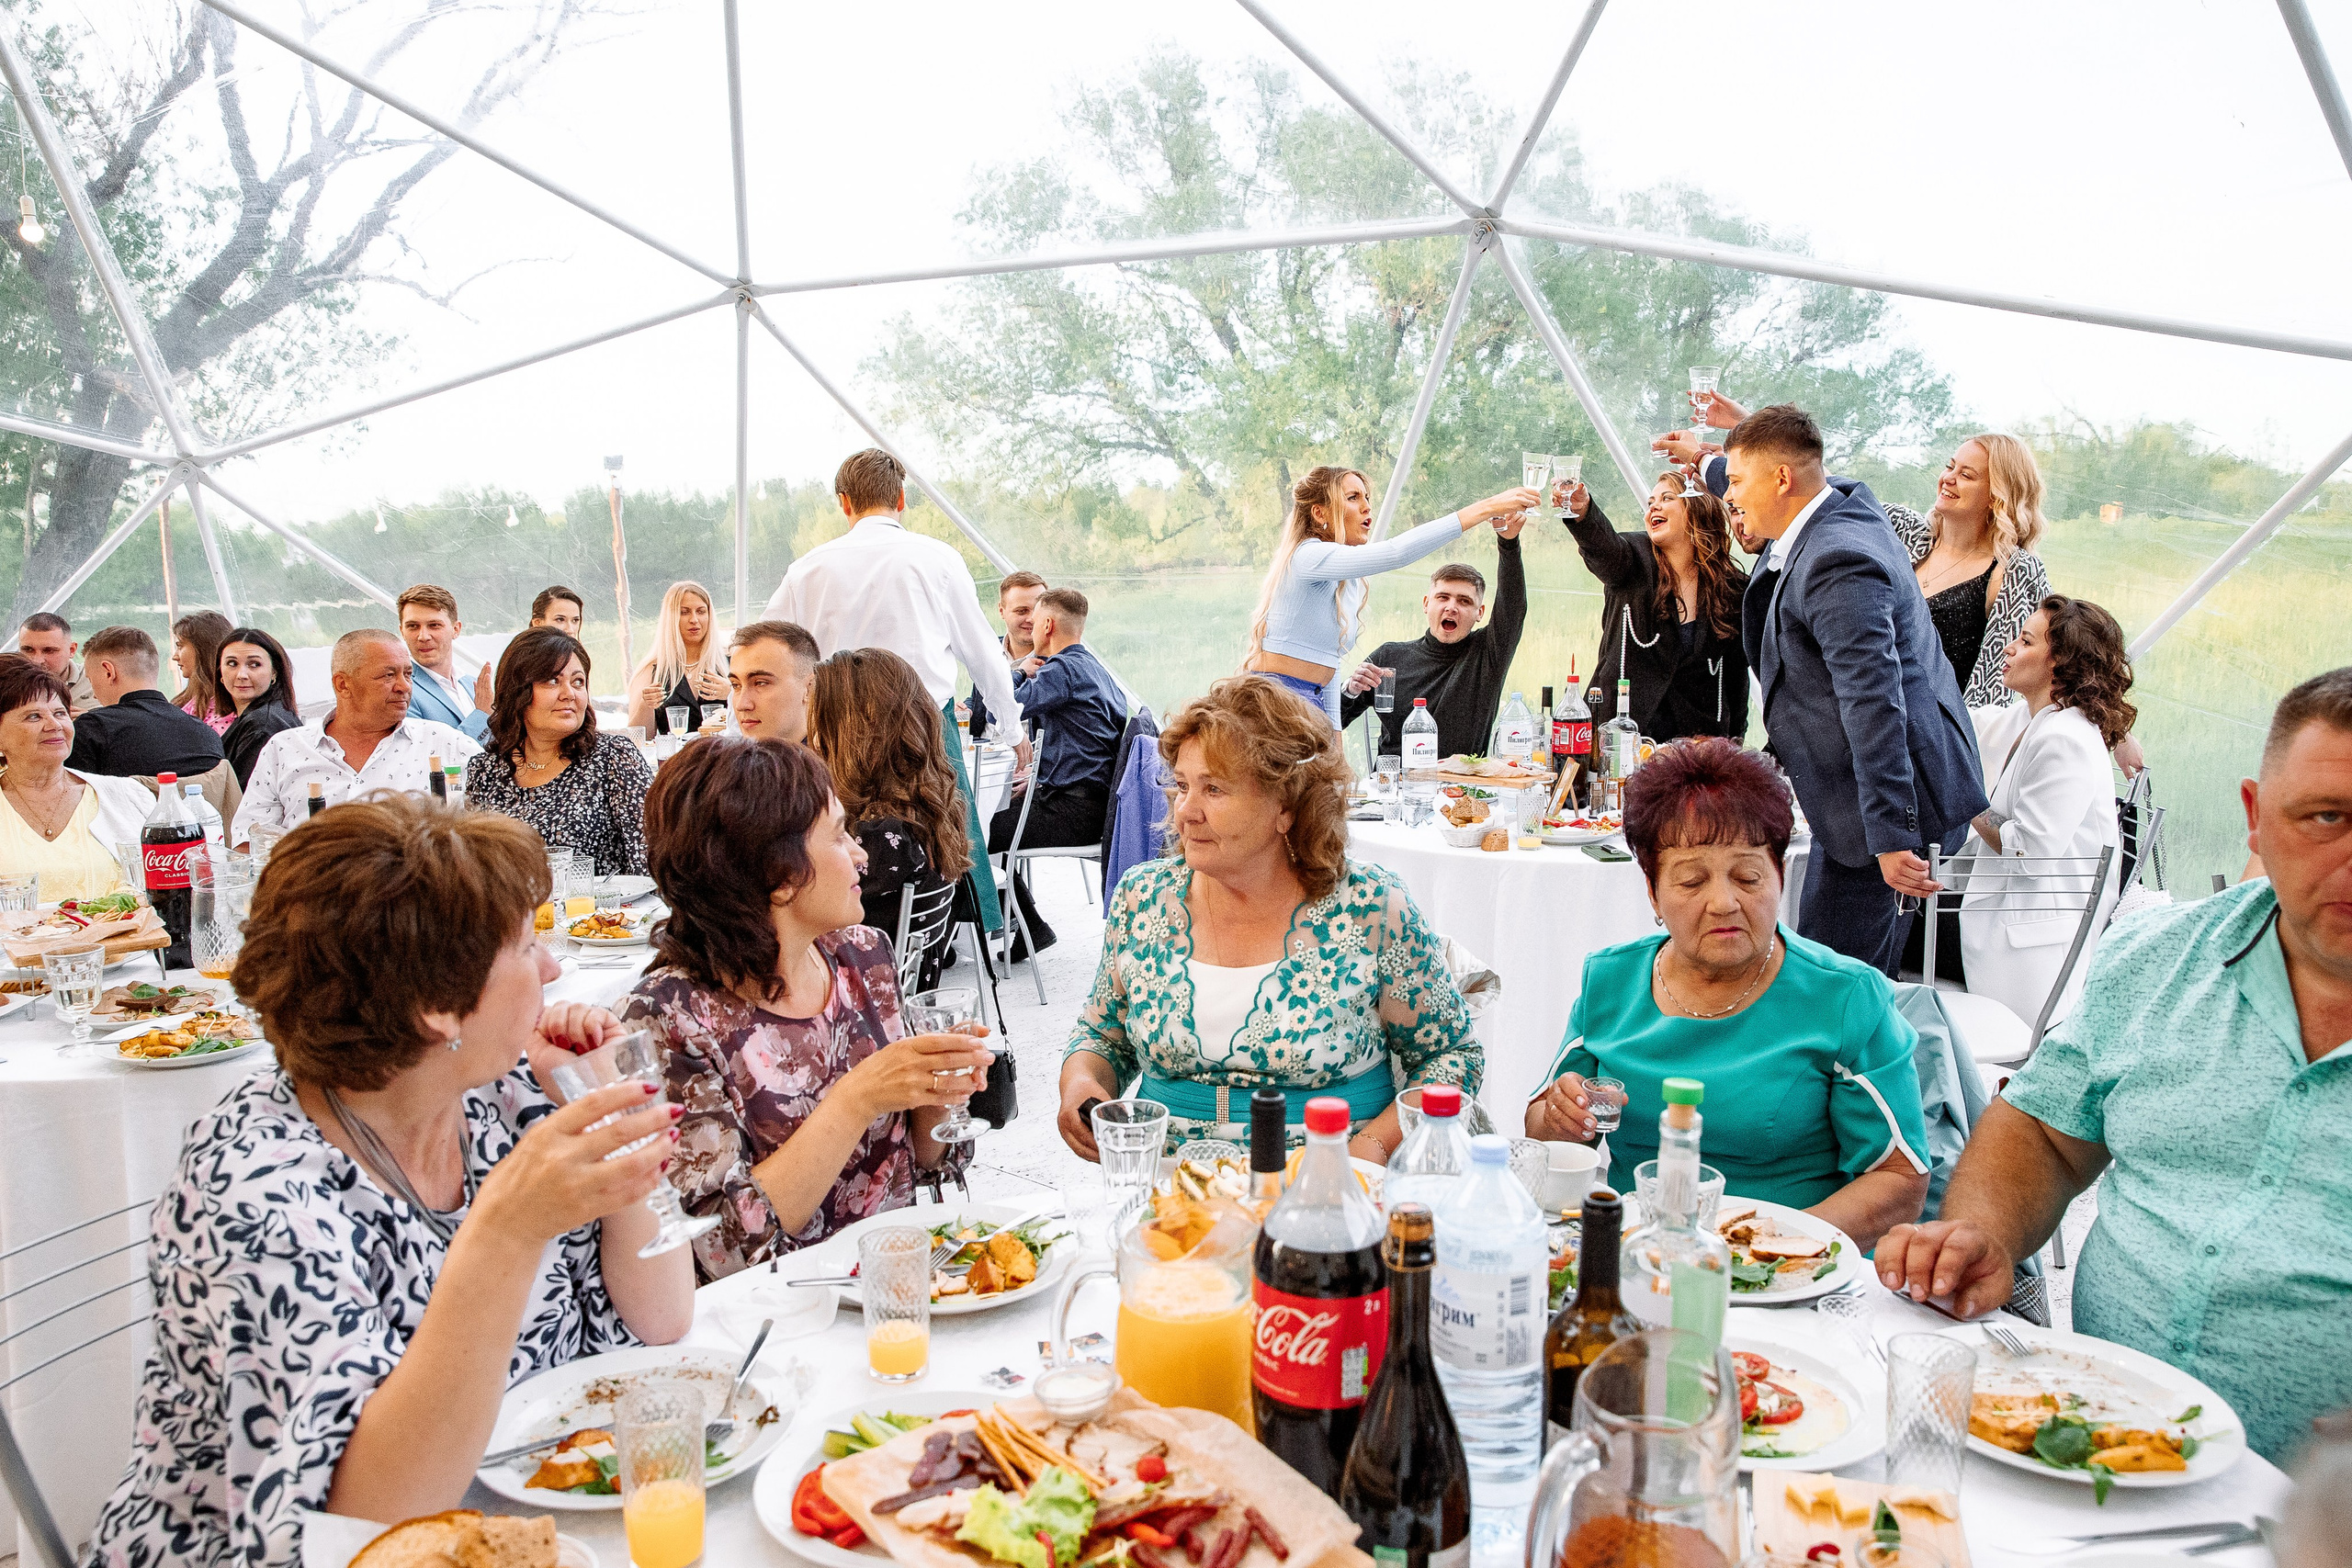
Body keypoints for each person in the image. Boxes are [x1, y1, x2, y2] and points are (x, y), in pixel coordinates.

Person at [84, 795, 691, 1564]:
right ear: (438, 1007)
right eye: (524, 942)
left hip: (527, 1520)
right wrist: (503, 1229)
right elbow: (362, 1522)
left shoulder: (503, 1094)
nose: (553, 966)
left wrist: (603, 1110)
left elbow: (661, 1319)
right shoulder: (255, 1185)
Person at [1877, 666, 2352, 1465]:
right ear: (2255, 819)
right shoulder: (2160, 960)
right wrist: (1985, 1232)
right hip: (2087, 1452)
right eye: (2325, 817)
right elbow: (2044, 1132)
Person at [1524, 738, 1930, 1250]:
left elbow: (1901, 1179)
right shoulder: (1611, 981)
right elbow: (1539, 1128)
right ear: (1652, 892)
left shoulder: (1842, 998)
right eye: (1692, 881)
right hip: (1644, 1256)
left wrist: (1770, 1246)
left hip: (1790, 1270)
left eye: (1748, 876)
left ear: (1780, 876)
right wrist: (1562, 1120)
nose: (1723, 903)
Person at [1057, 676, 1480, 1161]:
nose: (1184, 812)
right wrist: (1081, 1084)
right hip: (1174, 1198)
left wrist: (1371, 1149)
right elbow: (1100, 1035)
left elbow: (1451, 1058)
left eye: (1213, 789)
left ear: (1286, 806)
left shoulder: (1370, 908)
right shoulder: (1142, 898)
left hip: (1330, 1185)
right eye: (1181, 786)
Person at [617, 738, 994, 1279]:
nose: (862, 854)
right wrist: (858, 1097)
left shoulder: (862, 954)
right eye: (840, 834)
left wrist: (937, 1091)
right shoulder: (668, 1017)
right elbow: (718, 1251)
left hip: (894, 1290)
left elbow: (922, 1162)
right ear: (781, 876)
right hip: (771, 1325)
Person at [1718, 405, 1985, 976]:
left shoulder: (1839, 561)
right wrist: (1712, 466)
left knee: (1836, 984)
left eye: (1738, 482)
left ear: (1782, 480)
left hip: (1890, 809)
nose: (1731, 497)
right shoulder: (1838, 500)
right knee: (1825, 965)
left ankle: (1850, 1066)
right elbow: (1768, 469)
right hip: (1860, 801)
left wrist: (1891, 837)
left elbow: (1874, 703)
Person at [763, 448, 1030, 929]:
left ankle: (841, 926)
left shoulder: (808, 569)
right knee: (939, 831)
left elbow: (767, 646)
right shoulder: (938, 559)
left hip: (834, 729)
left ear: (844, 503)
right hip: (921, 726)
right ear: (902, 498)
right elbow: (984, 655)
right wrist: (1013, 729)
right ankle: (941, 928)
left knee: (836, 831)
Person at [1947, 596, 2131, 1025]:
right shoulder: (2040, 722)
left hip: (2029, 956)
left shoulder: (2065, 739)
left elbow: (2028, 851)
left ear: (2060, 662)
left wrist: (1966, 799)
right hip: (2006, 932)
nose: (2009, 647)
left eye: (2026, 641)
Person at [1242, 465, 1539, 727]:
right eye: (1353, 498)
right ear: (1320, 513)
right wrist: (1487, 508)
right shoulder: (1307, 556)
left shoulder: (1345, 581)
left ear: (1479, 612)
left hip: (1313, 704)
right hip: (1275, 703)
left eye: (1367, 497)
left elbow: (1328, 668)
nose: (1367, 507)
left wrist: (1336, 753)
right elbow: (1396, 552)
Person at [805, 648, 974, 992]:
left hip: (862, 1009)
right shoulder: (923, 807)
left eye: (814, 712)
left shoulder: (877, 837)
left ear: (850, 729)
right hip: (903, 997)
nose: (809, 729)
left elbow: (796, 927)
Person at [232, 628, 481, 844]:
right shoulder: (284, 749)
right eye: (388, 675)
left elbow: (492, 831)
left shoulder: (448, 745)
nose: (404, 686)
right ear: (342, 684)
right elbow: (248, 840)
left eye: (407, 674)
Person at [1555, 470, 1750, 743]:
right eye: (1650, 503)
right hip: (1621, 739)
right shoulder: (1632, 558)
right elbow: (1602, 548)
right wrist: (1582, 511)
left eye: (1667, 498)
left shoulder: (1732, 586)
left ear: (1698, 509)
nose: (1653, 508)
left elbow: (1736, 676)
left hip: (1698, 746)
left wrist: (1735, 742)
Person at [989, 587, 1125, 959]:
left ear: (1047, 625)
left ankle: (1027, 927)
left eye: (1035, 621)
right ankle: (1029, 927)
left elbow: (998, 715)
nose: (1030, 629)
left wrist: (1017, 671)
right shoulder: (1093, 667)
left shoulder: (1062, 670)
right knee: (985, 825)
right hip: (1093, 807)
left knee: (969, 833)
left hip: (1075, 812)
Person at [465, 628, 654, 876]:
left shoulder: (614, 757)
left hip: (599, 913)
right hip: (513, 913)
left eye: (578, 682)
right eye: (553, 681)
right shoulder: (485, 770)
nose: (569, 694)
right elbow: (474, 872)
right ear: (517, 691)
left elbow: (650, 860)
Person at [1338, 527, 1529, 758]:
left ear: (1480, 612)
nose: (1451, 607)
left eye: (1464, 601)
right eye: (1443, 597)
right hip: (1396, 786)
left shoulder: (1488, 653)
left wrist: (1508, 544)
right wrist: (1349, 690)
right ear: (1426, 604)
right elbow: (1333, 722)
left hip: (1460, 787)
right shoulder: (1388, 657)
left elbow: (1513, 606)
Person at [0, 660, 153, 900]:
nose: (54, 725)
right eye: (33, 716)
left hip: (120, 936)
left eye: (60, 713)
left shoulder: (128, 796)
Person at [62, 625, 228, 780]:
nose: (94, 697)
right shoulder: (206, 733)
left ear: (108, 672)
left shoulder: (93, 730)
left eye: (91, 681)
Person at [627, 581, 729, 739]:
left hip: (725, 759)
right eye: (684, 612)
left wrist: (732, 693)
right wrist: (646, 705)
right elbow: (638, 739)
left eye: (701, 611)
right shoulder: (652, 671)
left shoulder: (730, 665)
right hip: (677, 759)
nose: (694, 619)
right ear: (671, 618)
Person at [395, 583, 491, 742]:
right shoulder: (401, 692)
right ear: (402, 632)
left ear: (456, 629)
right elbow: (426, 754)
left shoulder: (471, 684)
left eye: (434, 625)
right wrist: (481, 714)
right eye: (413, 626)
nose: (423, 636)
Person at [473, 583, 588, 712]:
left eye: (575, 620)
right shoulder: (520, 659)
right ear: (537, 623)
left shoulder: (579, 661)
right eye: (560, 619)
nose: (570, 629)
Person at [216, 625, 305, 788]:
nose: (241, 675)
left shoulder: (262, 726)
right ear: (220, 672)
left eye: (254, 664)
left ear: (274, 673)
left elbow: (244, 797)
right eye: (232, 663)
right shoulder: (268, 714)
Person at [968, 570, 1046, 743]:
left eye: (1037, 610)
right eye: (1021, 611)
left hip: (1031, 765)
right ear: (1002, 611)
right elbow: (979, 699)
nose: (1031, 619)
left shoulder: (1055, 661)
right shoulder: (988, 651)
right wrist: (966, 709)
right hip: (985, 758)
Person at [728, 619, 820, 743]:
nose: (742, 705)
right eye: (736, 685)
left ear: (810, 688)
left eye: (761, 683)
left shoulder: (841, 760)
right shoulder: (731, 760)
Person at [169, 610, 237, 736]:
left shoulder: (227, 712)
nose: (175, 656)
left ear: (203, 650)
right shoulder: (187, 702)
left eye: (180, 646)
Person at [17, 611, 96, 713]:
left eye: (49, 651)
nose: (37, 660)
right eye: (28, 650)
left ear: (71, 650)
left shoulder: (97, 681)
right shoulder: (5, 683)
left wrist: (92, 722)